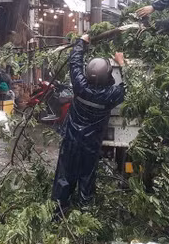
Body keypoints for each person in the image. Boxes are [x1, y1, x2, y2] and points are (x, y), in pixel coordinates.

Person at [52, 34, 126, 217]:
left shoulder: (80, 86)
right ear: (107, 75)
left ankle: (59, 212)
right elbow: (129, 86)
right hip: (90, 145)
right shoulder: (110, 95)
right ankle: (85, 215)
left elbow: (74, 63)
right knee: (87, 178)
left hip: (70, 140)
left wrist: (81, 43)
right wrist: (122, 62)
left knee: (64, 176)